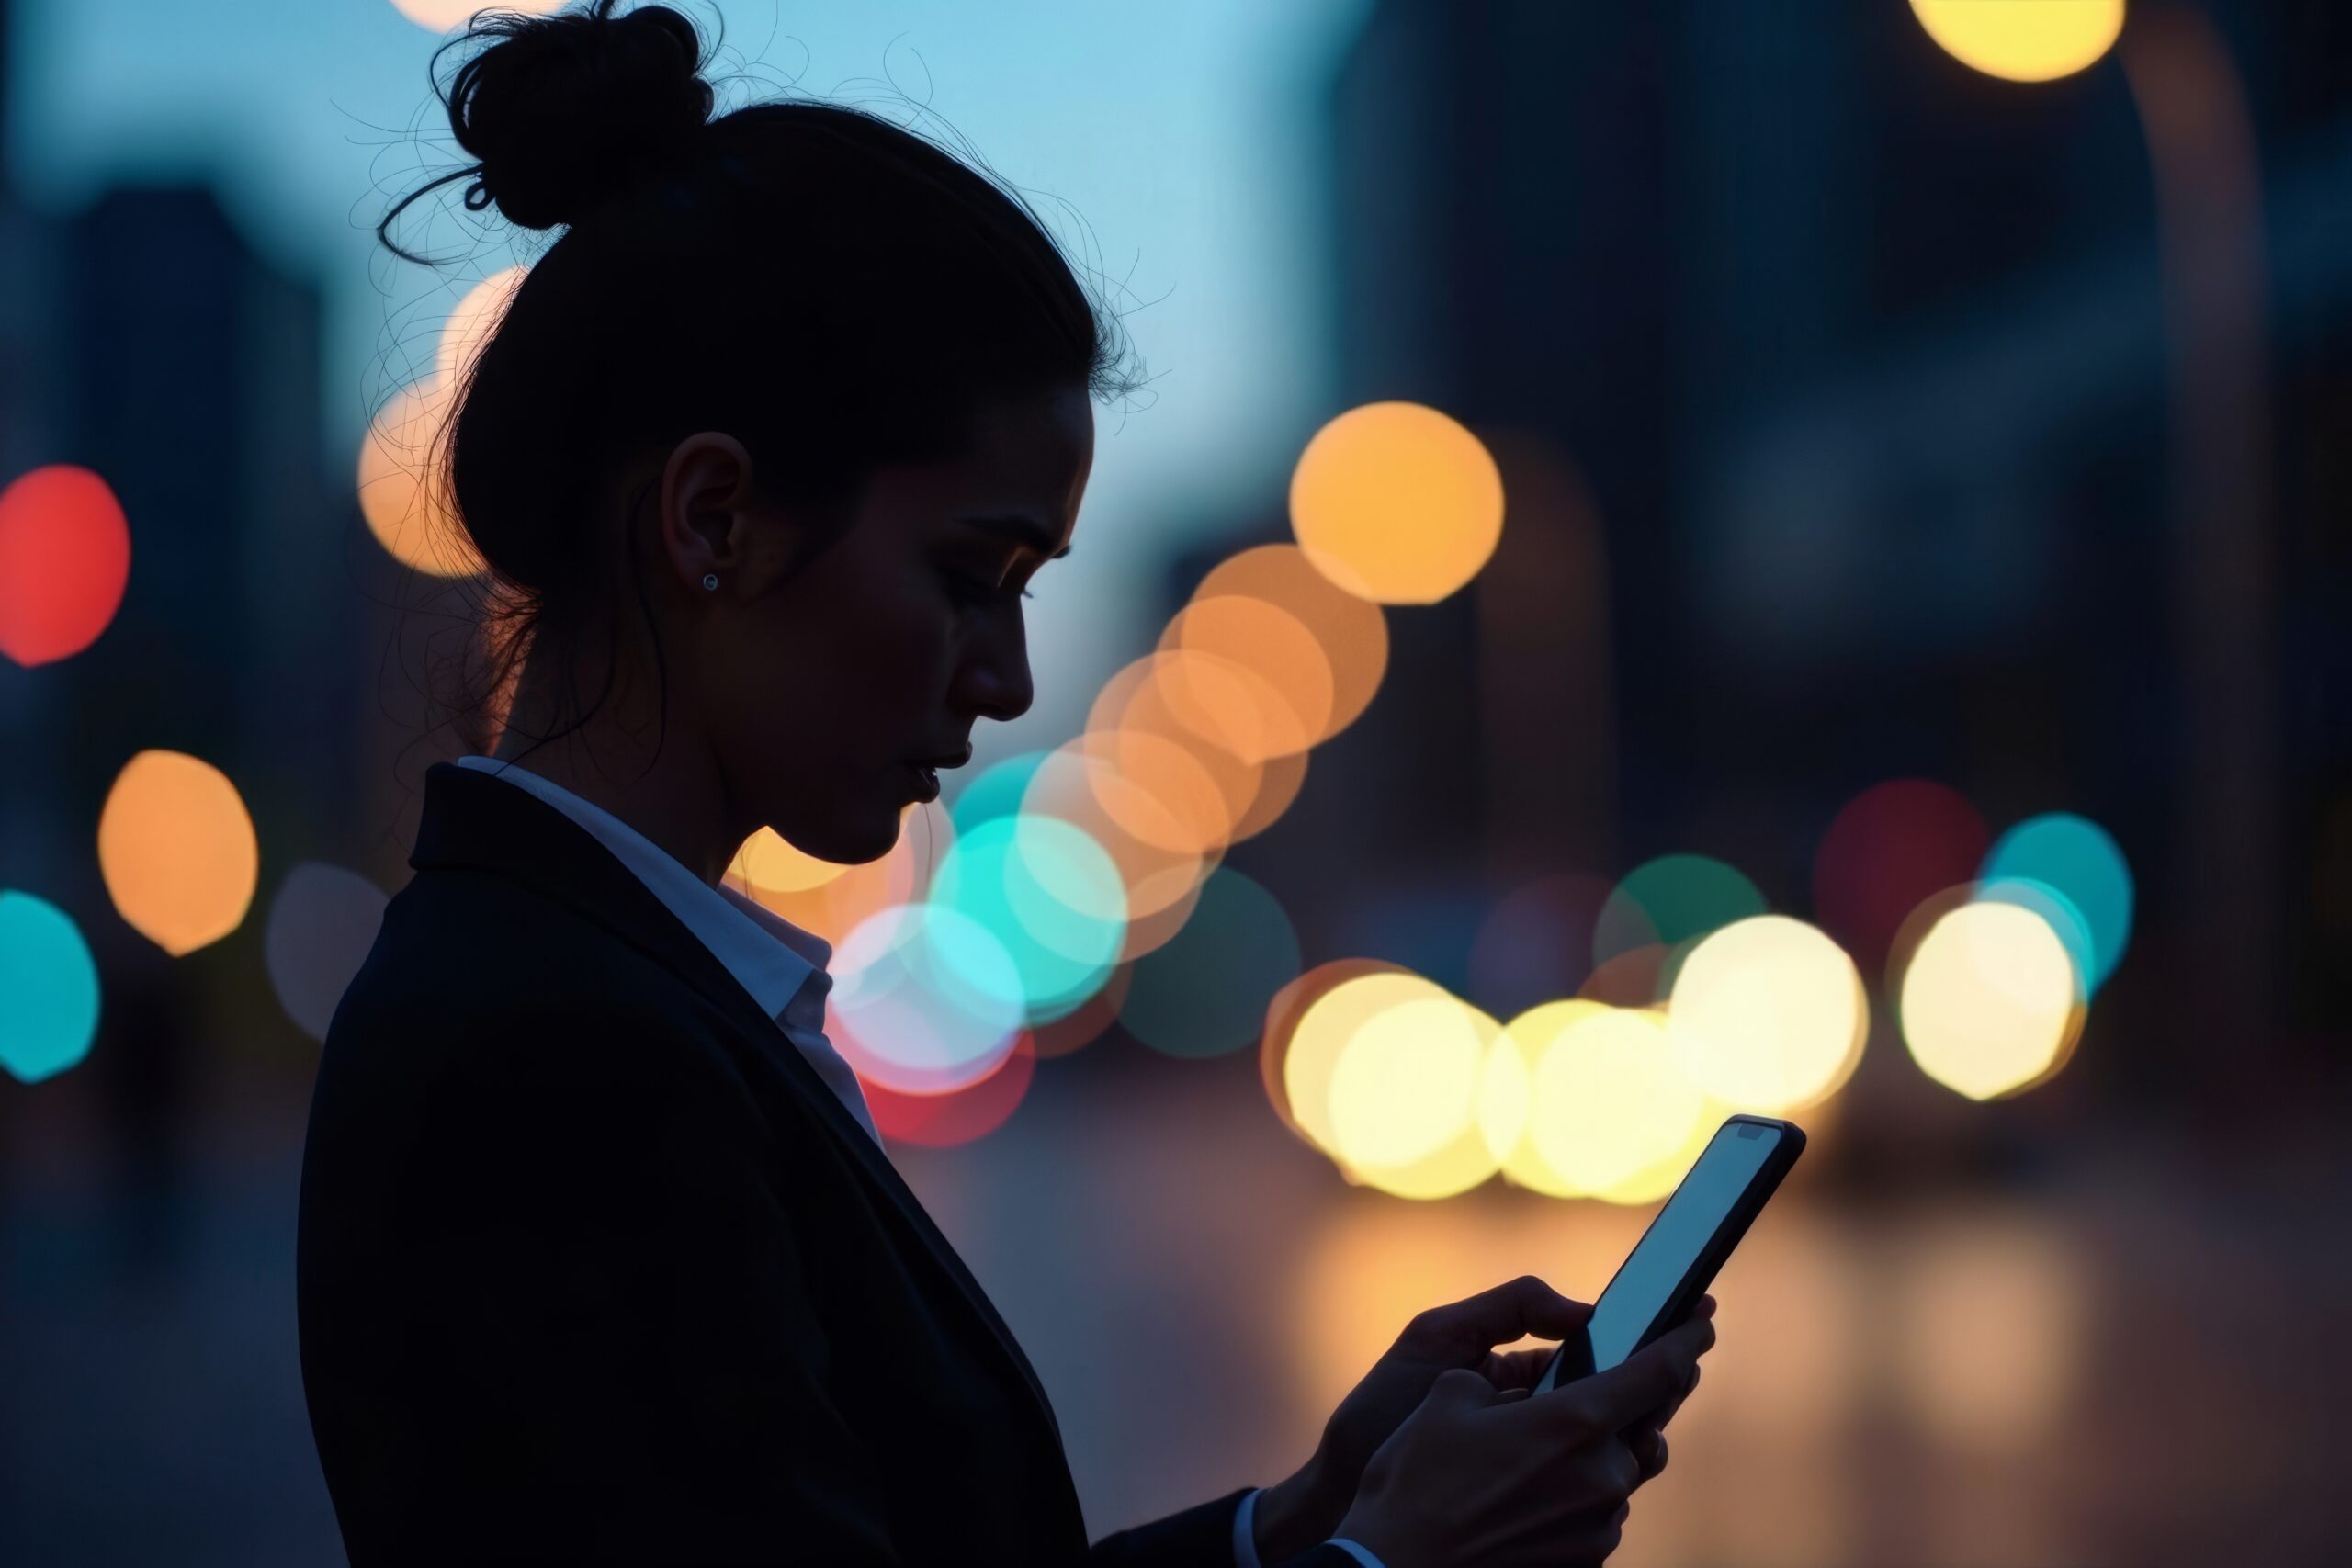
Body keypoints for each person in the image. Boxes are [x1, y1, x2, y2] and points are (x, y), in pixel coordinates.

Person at [293, 5, 1715, 1563]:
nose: (1008, 678)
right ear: (712, 521)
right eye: (972, 576)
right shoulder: (557, 1061)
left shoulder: (613, 995)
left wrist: (1302, 1522)